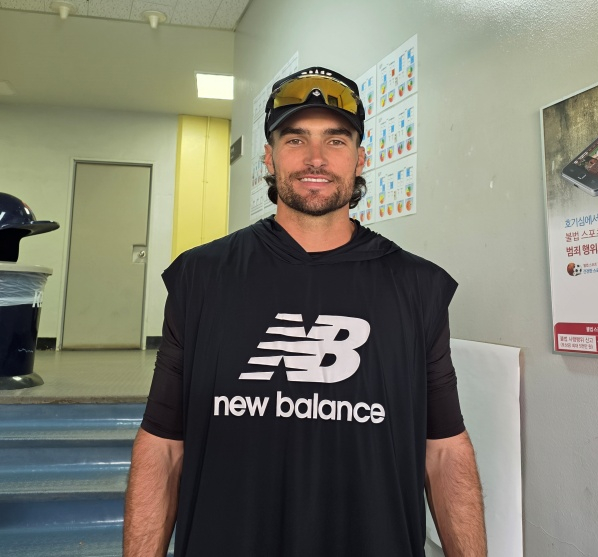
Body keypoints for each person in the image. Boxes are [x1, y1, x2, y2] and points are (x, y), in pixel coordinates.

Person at [124, 67, 486, 557]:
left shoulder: (417, 287)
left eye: (335, 141)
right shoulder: (200, 277)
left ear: (360, 159)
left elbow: (443, 450)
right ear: (269, 158)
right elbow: (164, 445)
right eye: (296, 139)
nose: (316, 158)